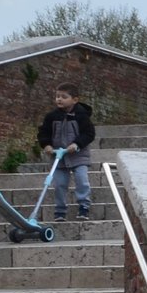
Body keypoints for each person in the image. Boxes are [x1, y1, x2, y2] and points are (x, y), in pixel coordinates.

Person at [37, 83, 97, 221]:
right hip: (58, 156)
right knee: (59, 184)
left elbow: (89, 133)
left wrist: (77, 144)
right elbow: (43, 132)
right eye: (57, 96)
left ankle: (84, 206)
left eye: (64, 97)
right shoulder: (51, 116)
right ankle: (60, 210)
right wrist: (46, 145)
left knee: (82, 180)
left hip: (78, 155)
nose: (59, 99)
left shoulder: (81, 115)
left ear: (75, 99)